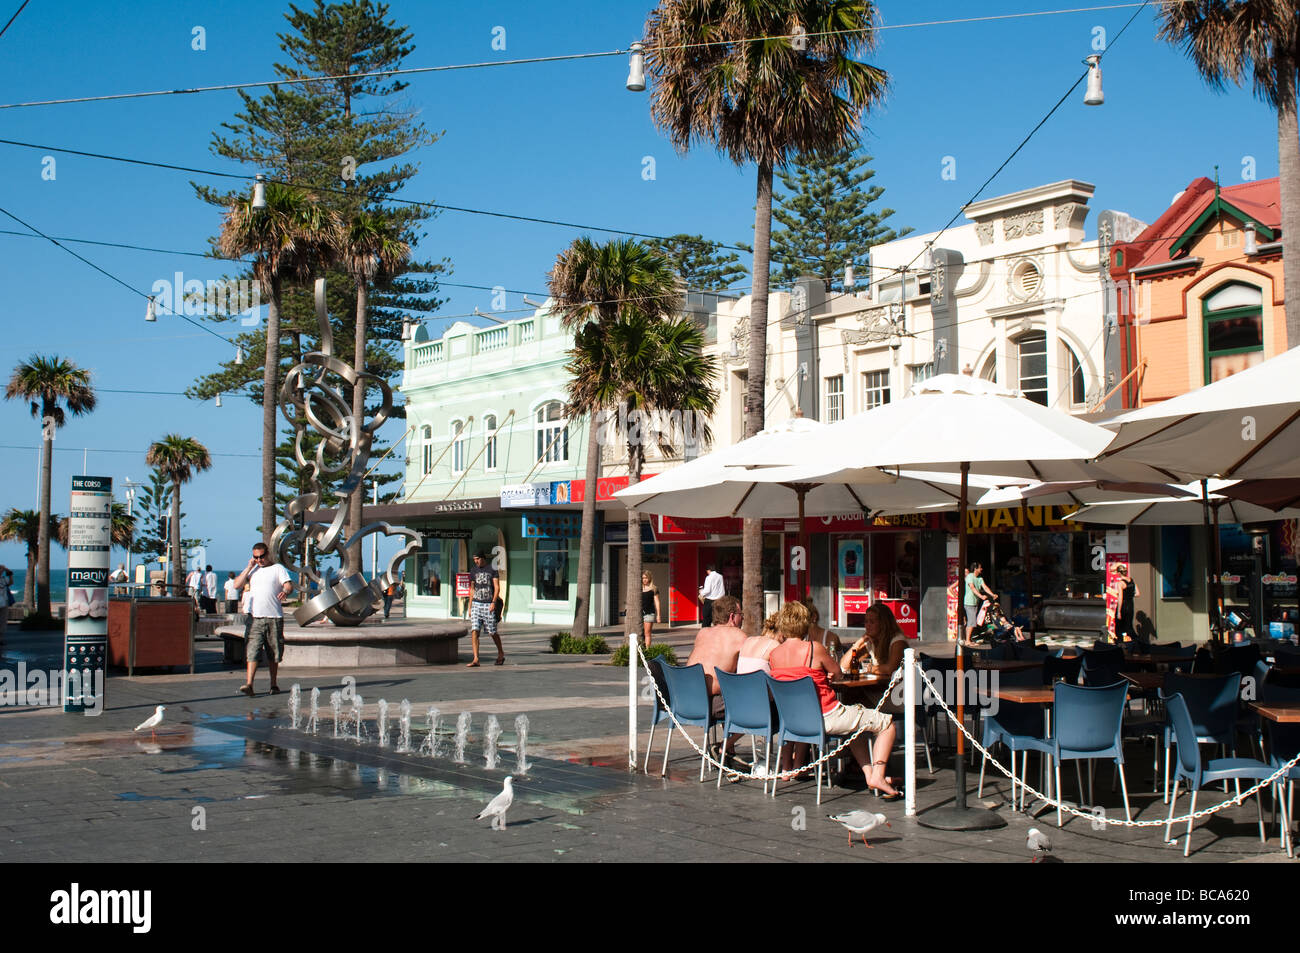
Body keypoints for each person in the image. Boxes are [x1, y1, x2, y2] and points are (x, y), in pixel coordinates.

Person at [768, 601, 900, 799]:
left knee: (855, 725)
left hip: (794, 721)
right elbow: (838, 673)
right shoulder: (814, 648)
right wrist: (827, 675)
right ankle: (879, 775)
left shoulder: (774, 654)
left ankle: (869, 774)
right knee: (887, 724)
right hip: (827, 717)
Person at [230, 542, 293, 697]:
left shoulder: (278, 568)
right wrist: (248, 567)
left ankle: (273, 683)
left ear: (267, 554)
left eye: (261, 557)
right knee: (252, 651)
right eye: (255, 557)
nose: (259, 560)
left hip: (274, 617)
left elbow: (289, 585)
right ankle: (249, 684)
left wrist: (285, 590)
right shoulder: (253, 571)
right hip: (255, 618)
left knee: (274, 652)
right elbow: (237, 585)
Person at [685, 594, 745, 698]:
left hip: (687, 695)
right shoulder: (738, 635)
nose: (742, 617)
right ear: (732, 617)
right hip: (712, 700)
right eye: (740, 614)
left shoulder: (702, 633)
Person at [842, 601, 907, 679]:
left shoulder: (898, 641)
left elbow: (890, 669)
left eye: (872, 622)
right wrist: (858, 644)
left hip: (898, 687)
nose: (867, 625)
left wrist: (871, 668)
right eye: (866, 621)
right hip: (879, 685)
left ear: (883, 624)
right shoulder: (870, 641)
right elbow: (844, 666)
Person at [466, 551, 502, 667]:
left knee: (492, 632)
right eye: (474, 559)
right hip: (476, 604)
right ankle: (476, 658)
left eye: (477, 559)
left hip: (488, 604)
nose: (475, 561)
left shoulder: (492, 569)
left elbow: (497, 588)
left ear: (483, 558)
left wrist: (493, 602)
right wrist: (470, 606)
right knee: (474, 630)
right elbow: (472, 589)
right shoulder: (473, 571)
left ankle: (501, 653)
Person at [964, 561, 996, 643]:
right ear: (975, 569)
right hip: (969, 602)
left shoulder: (980, 578)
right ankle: (967, 640)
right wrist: (981, 596)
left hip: (975, 603)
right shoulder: (970, 576)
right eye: (980, 567)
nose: (981, 569)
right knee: (972, 621)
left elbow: (985, 587)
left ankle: (968, 639)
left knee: (972, 621)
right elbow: (972, 587)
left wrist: (992, 594)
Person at [1113, 563, 1139, 643]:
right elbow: (1138, 593)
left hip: (1123, 605)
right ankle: (1137, 642)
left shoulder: (1120, 583)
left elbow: (1120, 598)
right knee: (1128, 626)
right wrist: (1129, 595)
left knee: (1118, 627)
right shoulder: (1131, 580)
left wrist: (1119, 612)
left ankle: (1120, 643)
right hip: (1130, 604)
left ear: (1119, 573)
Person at [640, 571, 662, 650]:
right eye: (643, 578)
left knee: (647, 633)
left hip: (649, 613)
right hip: (639, 614)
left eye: (646, 578)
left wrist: (658, 615)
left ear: (649, 578)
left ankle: (647, 650)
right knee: (639, 633)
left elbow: (657, 602)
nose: (644, 580)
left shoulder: (654, 588)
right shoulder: (639, 588)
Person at [0, 564, 11, 638]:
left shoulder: (4, 579)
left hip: (4, 602)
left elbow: (11, 582)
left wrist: (9, 573)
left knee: (3, 621)